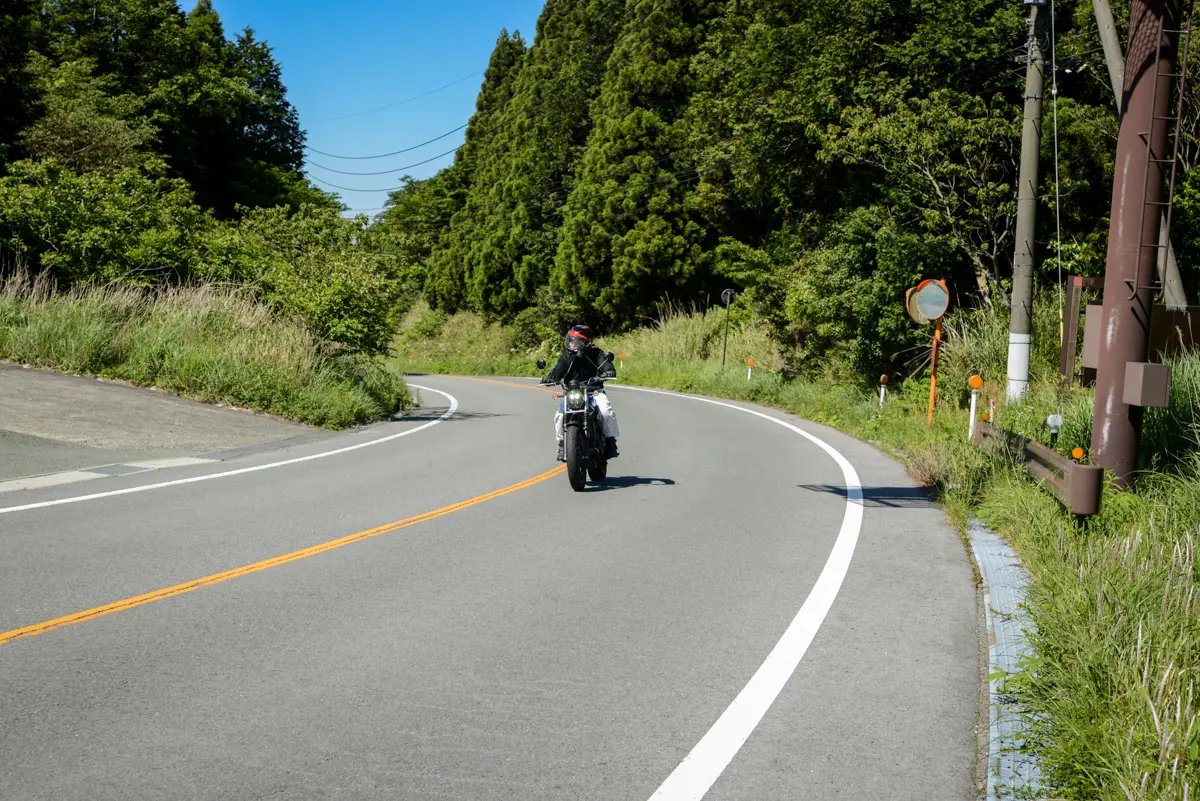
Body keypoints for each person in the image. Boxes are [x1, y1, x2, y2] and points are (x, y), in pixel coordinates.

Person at [541, 324, 619, 462]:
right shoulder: (566, 357)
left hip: (594, 392)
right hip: (573, 393)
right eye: (570, 341)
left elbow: (605, 363)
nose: (572, 345)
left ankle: (610, 440)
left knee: (606, 411)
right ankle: (562, 444)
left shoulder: (596, 353)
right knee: (559, 416)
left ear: (585, 342)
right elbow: (558, 370)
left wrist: (609, 370)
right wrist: (550, 377)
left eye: (576, 342)